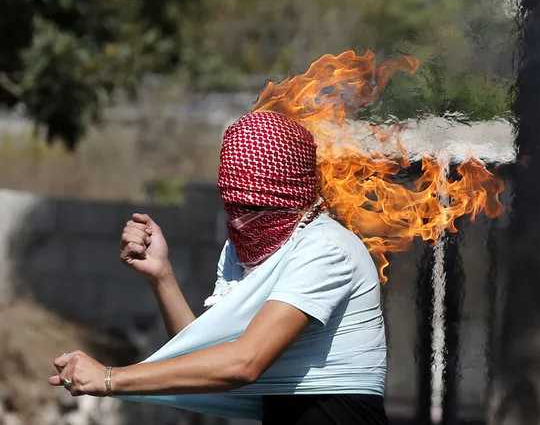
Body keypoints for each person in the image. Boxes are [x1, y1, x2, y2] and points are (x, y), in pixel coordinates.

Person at [49, 111, 388, 424]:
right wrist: (162, 276)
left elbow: (244, 363)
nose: (239, 223)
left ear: (292, 195)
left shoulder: (325, 248)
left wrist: (110, 378)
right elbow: (206, 354)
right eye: (231, 206)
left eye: (252, 206)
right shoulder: (242, 247)